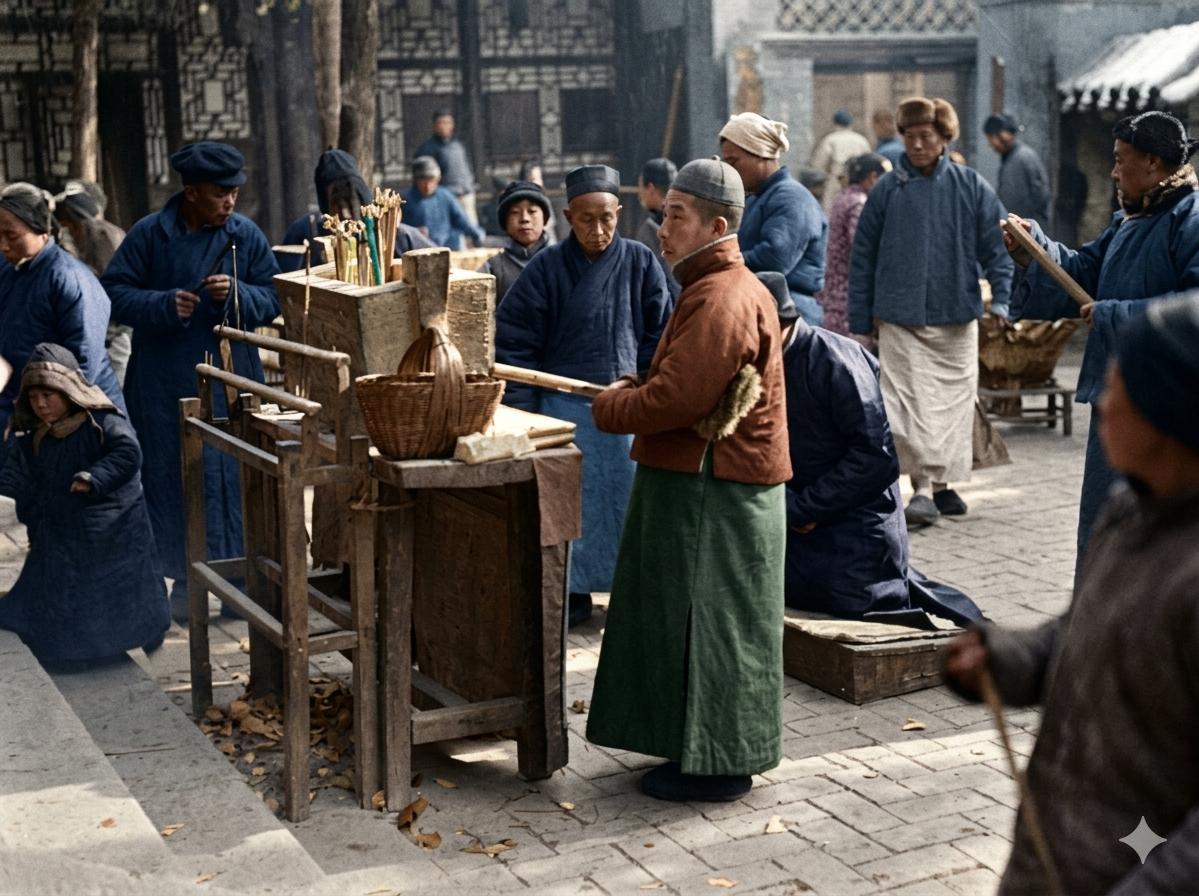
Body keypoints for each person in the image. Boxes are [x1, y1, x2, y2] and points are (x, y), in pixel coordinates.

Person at [944, 292, 1199, 895]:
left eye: (1119, 392)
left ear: (1169, 419)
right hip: (1054, 854)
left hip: (1134, 869)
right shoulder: (1128, 513)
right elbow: (1081, 632)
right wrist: (1004, 657)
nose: (1103, 408)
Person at [586, 159, 790, 802]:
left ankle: (721, 763)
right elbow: (676, 383)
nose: (662, 228)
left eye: (677, 215)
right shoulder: (712, 286)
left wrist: (612, 408)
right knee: (691, 620)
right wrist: (637, 387)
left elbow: (678, 398)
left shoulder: (724, 296)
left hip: (719, 490)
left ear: (718, 225)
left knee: (715, 626)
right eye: (664, 212)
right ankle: (700, 748)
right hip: (709, 483)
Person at [1006, 110, 1199, 559]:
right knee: (1103, 527)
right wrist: (1036, 250)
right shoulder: (1129, 219)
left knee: (1157, 538)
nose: (1112, 171)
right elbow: (1085, 273)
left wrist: (1116, 314)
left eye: (1120, 159)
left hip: (1171, 405)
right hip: (1118, 394)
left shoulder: (1189, 220)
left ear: (1152, 162)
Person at [101, 141, 280, 623]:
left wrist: (238, 294)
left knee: (234, 473)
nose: (230, 203)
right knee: (175, 475)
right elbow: (113, 294)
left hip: (231, 376)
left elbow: (274, 294)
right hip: (165, 381)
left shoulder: (245, 235)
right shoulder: (150, 235)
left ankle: (241, 577)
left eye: (235, 194)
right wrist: (163, 306)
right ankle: (185, 580)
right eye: (220, 194)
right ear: (192, 191)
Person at [495, 164, 671, 627]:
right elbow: (514, 342)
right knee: (566, 508)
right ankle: (570, 592)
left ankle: (630, 594)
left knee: (626, 506)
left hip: (626, 410)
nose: (598, 230)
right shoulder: (546, 269)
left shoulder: (640, 260)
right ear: (568, 217)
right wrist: (526, 410)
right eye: (587, 219)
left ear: (620, 212)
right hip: (562, 410)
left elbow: (661, 330)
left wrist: (645, 381)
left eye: (607, 218)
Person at [762, 271, 980, 625]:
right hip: (796, 516)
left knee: (857, 601)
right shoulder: (758, 362)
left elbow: (874, 459)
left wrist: (804, 508)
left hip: (854, 519)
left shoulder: (835, 360)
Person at [849, 97, 1013, 527]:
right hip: (899, 316)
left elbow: (997, 249)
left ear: (944, 139)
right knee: (909, 405)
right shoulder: (886, 190)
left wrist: (1004, 298)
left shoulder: (971, 186)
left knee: (953, 404)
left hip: (955, 313)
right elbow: (862, 256)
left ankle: (943, 486)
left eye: (927, 137)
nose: (917, 145)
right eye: (910, 137)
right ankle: (921, 489)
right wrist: (861, 322)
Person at [0, 343, 168, 664]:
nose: (40, 405)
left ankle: (124, 638)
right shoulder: (33, 431)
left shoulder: (101, 422)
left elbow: (128, 454)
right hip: (64, 525)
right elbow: (22, 471)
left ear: (69, 391)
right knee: (62, 592)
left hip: (110, 524)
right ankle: (72, 647)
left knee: (116, 590)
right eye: (34, 398)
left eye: (48, 396)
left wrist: (93, 477)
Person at [0, 183, 124, 469]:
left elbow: (84, 362)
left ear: (42, 230)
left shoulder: (69, 278)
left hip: (77, 408)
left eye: (12, 235)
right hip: (30, 402)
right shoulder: (10, 271)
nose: (3, 245)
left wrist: (52, 413)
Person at [719, 112, 828, 326]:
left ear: (760, 153)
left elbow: (774, 260)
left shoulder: (791, 198)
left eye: (734, 161)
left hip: (788, 314)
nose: (730, 171)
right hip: (760, 305)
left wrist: (718, 261)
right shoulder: (757, 198)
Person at [278, 148, 433, 273]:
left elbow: (440, 263)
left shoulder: (395, 235)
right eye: (337, 203)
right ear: (325, 204)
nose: (345, 213)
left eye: (351, 201)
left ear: (363, 197)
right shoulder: (305, 234)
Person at [52, 182, 133, 384]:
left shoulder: (103, 238)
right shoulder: (77, 241)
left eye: (68, 224)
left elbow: (112, 289)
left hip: (113, 333)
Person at [817, 153, 889, 339]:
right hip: (848, 299)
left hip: (835, 296)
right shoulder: (859, 203)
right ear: (873, 177)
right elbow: (862, 249)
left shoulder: (845, 197)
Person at [476, 180, 551, 304]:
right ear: (505, 223)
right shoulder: (493, 268)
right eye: (515, 212)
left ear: (545, 218)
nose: (524, 219)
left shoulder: (564, 261)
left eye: (532, 211)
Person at [402, 156, 484, 251]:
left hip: (448, 248)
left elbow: (461, 220)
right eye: (423, 181)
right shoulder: (406, 200)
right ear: (415, 181)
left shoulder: (445, 196)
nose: (427, 186)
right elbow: (401, 230)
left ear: (438, 179)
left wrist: (478, 234)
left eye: (431, 180)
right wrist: (414, 233)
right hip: (419, 252)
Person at [983, 113, 1051, 225]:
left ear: (1001, 136)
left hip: (1025, 232)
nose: (991, 146)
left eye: (991, 139)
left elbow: (1038, 200)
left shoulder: (1021, 159)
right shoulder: (1017, 157)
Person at [415, 110, 478, 225]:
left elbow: (468, 166)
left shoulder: (459, 145)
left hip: (466, 195)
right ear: (434, 126)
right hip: (446, 198)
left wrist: (471, 184)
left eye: (448, 122)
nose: (445, 126)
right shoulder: (427, 148)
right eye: (441, 122)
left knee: (471, 229)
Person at [635, 157, 680, 300]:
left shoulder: (651, 229)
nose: (640, 193)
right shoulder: (688, 215)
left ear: (651, 188)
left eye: (641, 187)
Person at [809, 110, 872, 210]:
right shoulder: (861, 140)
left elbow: (819, 164)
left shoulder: (830, 139)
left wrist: (827, 172)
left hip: (836, 180)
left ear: (835, 123)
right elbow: (870, 162)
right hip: (858, 183)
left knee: (833, 211)